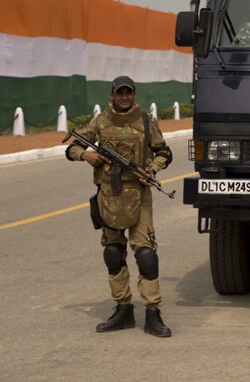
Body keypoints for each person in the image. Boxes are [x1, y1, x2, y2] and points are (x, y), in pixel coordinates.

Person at [66, 75, 174, 337]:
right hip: (109, 196)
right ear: (112, 95)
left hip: (139, 195)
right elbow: (71, 148)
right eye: (119, 93)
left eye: (129, 93)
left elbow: (164, 152)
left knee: (146, 256)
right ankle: (123, 309)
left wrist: (151, 169)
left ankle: (152, 312)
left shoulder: (147, 121)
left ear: (134, 94)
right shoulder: (100, 122)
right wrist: (86, 155)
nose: (124, 97)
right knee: (113, 253)